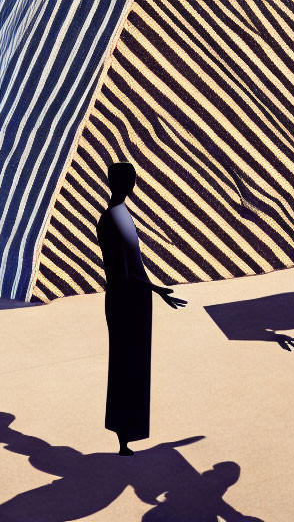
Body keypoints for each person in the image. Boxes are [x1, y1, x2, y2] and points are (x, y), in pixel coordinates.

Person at [96, 162, 187, 456]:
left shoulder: (120, 214)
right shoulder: (111, 219)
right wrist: (157, 290)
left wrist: (152, 290)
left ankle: (129, 433)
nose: (133, 184)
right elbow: (121, 273)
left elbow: (134, 264)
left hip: (135, 300)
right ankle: (123, 436)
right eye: (130, 179)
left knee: (133, 367)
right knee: (124, 366)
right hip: (126, 301)